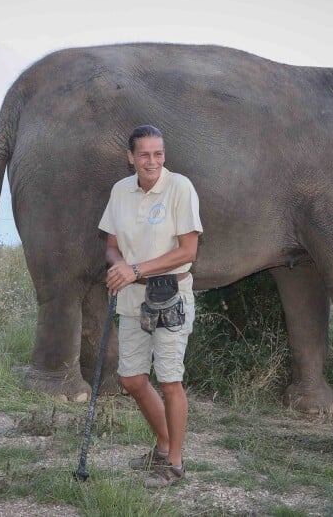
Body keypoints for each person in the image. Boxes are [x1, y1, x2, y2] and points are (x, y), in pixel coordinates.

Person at [98, 124, 202, 488]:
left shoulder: (179, 187)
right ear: (131, 157)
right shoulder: (120, 191)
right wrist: (117, 266)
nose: (152, 161)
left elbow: (188, 251)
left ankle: (174, 463)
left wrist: (136, 268)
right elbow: (111, 244)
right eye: (144, 154)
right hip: (130, 295)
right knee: (131, 378)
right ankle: (163, 444)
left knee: (170, 379)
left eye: (158, 153)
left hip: (170, 293)